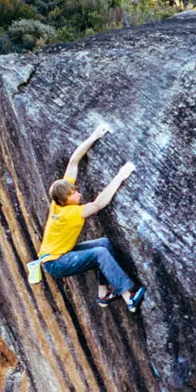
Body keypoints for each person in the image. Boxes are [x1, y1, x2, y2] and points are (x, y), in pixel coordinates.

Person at [36, 122, 146, 312]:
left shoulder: (58, 202)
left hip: (59, 255)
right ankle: (129, 298)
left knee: (103, 244)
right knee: (99, 254)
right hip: (56, 263)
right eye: (73, 194)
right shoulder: (69, 213)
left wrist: (95, 136)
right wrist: (121, 175)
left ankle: (103, 294)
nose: (78, 193)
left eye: (75, 190)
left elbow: (73, 162)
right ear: (65, 200)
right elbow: (99, 204)